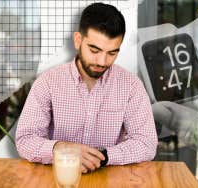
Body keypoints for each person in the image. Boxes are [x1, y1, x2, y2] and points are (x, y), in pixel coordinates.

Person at [16, 2, 157, 173]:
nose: (102, 62)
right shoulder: (48, 82)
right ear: (78, 40)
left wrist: (102, 156)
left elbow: (146, 143)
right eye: (94, 50)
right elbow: (25, 139)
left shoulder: (131, 86)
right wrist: (62, 149)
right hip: (59, 179)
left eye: (112, 53)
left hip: (111, 180)